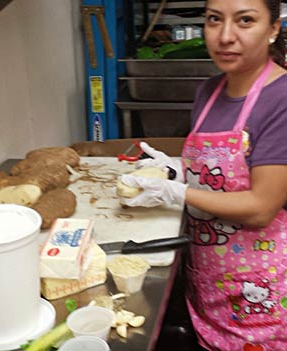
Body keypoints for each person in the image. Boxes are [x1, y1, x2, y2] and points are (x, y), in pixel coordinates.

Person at [118, 0, 287, 350]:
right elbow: (219, 172)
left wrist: (175, 192)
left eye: (245, 20)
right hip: (208, 275)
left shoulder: (281, 99)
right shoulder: (209, 92)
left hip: (261, 286)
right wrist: (177, 168)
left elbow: (261, 206)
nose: (225, 36)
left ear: (273, 28)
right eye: (214, 20)